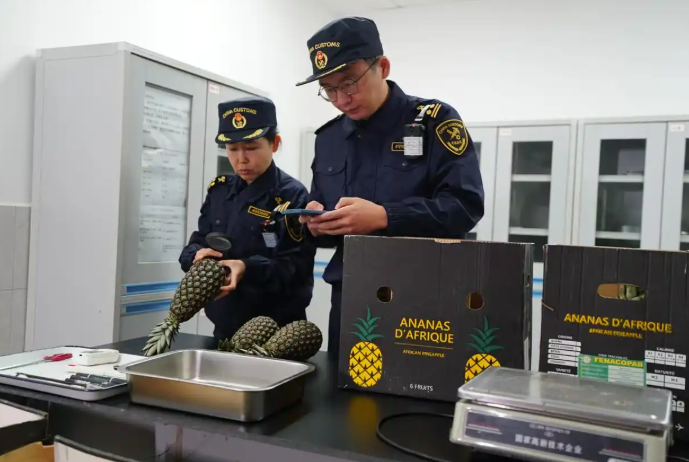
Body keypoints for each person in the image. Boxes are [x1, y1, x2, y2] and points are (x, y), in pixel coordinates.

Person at [295, 17, 484, 356]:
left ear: (382, 67)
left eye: (349, 83)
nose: (342, 99)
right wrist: (316, 223)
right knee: (342, 387)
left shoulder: (434, 121)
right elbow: (325, 223)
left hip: (424, 298)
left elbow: (464, 206)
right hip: (352, 295)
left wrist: (385, 217)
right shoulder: (329, 139)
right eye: (329, 90)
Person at [179, 96, 316, 346]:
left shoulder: (291, 195)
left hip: (276, 333)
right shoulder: (220, 191)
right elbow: (195, 243)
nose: (241, 159)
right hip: (224, 329)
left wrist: (246, 268)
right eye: (232, 149)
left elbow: (295, 268)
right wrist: (195, 257)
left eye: (251, 148)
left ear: (275, 144)